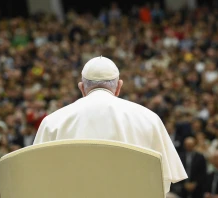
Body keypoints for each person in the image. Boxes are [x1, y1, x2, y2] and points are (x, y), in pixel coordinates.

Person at [33, 56, 188, 194]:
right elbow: (162, 183)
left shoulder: (53, 121)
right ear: (119, 87)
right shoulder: (148, 119)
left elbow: (39, 179)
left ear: (81, 88)